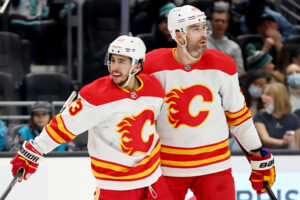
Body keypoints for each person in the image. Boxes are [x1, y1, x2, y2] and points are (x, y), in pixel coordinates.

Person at [10, 35, 173, 200]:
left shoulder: (154, 88)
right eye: (112, 60)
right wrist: (32, 152)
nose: (114, 67)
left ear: (137, 65)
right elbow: (62, 126)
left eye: (122, 61)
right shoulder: (96, 95)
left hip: (153, 179)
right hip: (116, 187)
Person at [142, 5, 275, 200]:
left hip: (214, 166)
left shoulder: (223, 64)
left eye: (204, 27)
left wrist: (257, 154)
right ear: (178, 35)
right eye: (195, 29)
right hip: (167, 167)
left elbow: (238, 116)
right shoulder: (152, 65)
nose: (204, 33)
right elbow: (137, 114)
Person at [253, 82, 300, 150]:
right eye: (262, 93)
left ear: (279, 97)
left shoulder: (294, 119)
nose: (262, 97)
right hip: (265, 156)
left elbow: (297, 147)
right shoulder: (260, 117)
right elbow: (265, 139)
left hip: (289, 157)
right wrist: (283, 142)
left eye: (267, 94)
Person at [207, 9, 244, 75]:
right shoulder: (200, 43)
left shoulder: (234, 47)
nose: (220, 24)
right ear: (211, 22)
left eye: (223, 21)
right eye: (217, 20)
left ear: (227, 24)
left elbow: (240, 71)